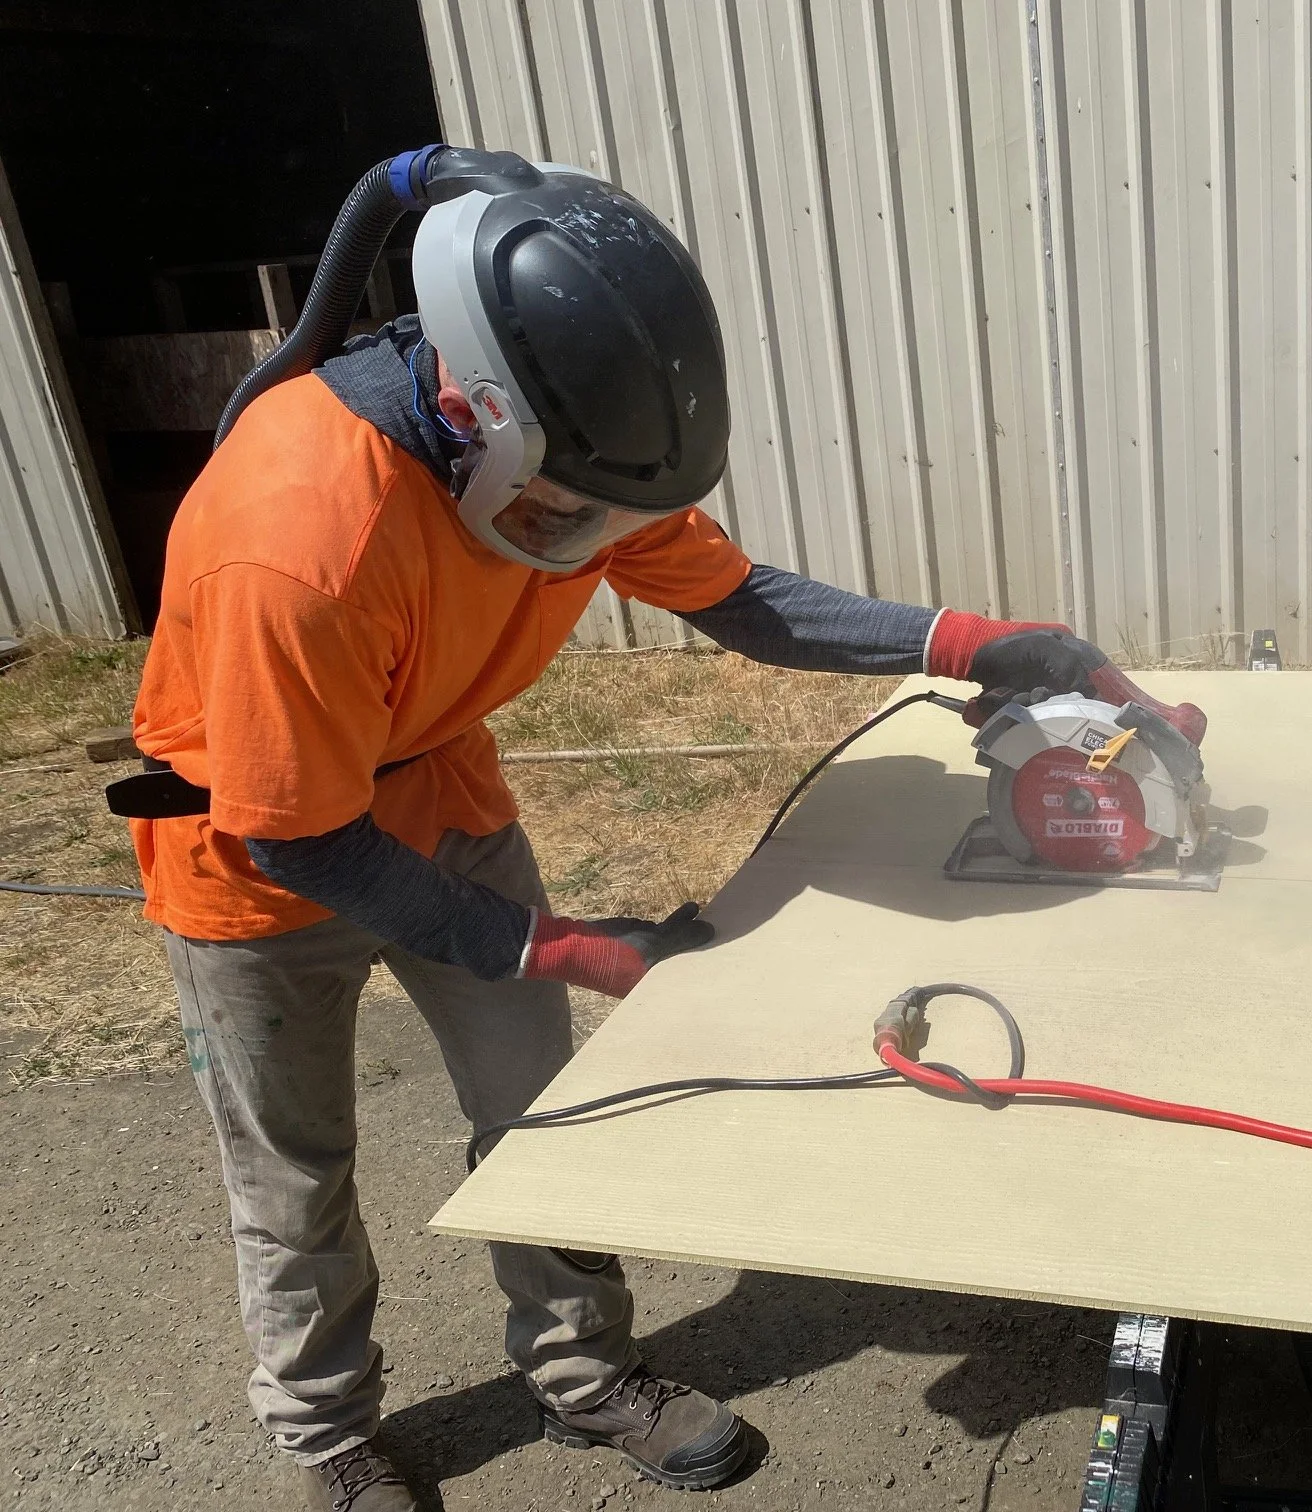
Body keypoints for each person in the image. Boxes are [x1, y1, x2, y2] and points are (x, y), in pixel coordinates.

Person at [127, 157, 1115, 1511]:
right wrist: (548, 944)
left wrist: (968, 643)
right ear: (468, 412)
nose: (594, 543)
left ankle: (586, 1376)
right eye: (574, 519)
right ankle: (323, 1433)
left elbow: (743, 601)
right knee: (296, 1176)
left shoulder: (563, 457)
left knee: (548, 1119)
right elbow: (307, 839)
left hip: (443, 802)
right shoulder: (297, 538)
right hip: (260, 864)